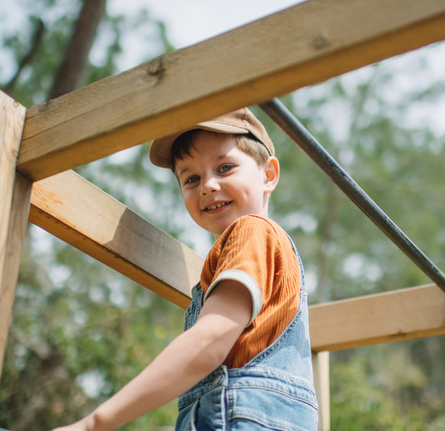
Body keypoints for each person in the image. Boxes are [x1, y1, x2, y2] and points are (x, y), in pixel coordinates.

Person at [52, 107, 317, 431]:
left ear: (268, 174)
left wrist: (96, 422)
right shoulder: (267, 252)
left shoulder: (252, 231)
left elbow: (209, 341)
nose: (208, 185)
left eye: (225, 167)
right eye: (191, 178)